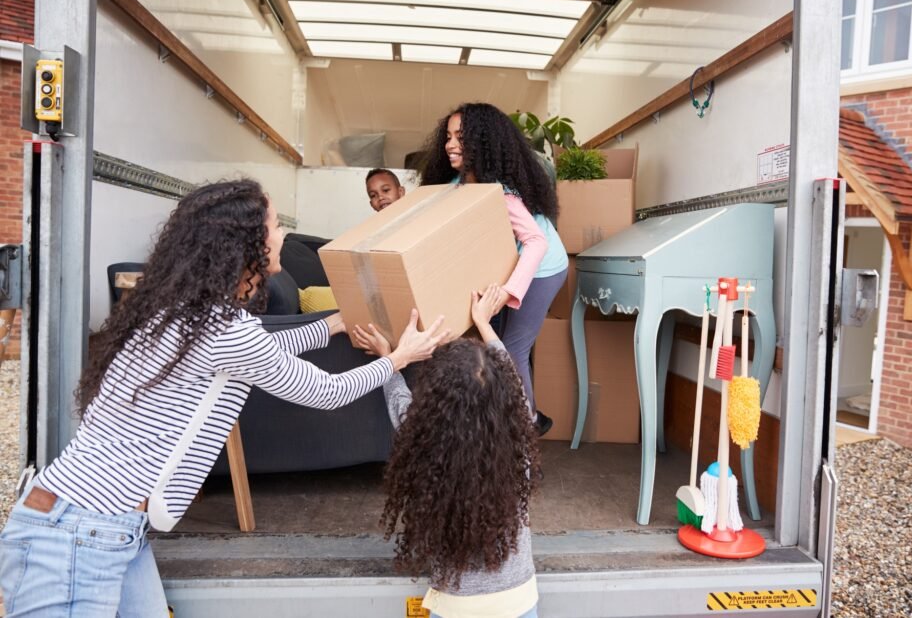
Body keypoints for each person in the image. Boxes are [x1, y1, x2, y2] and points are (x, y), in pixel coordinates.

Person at [0, 179, 447, 617]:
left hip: (101, 526)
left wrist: (332, 325)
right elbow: (325, 391)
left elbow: (260, 351)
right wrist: (400, 358)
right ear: (244, 244)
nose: (283, 236)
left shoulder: (187, 314)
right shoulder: (223, 330)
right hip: (80, 534)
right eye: (274, 227)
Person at [353, 285, 540, 618]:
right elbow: (514, 386)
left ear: (434, 403)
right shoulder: (519, 441)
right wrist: (484, 323)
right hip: (519, 602)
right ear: (507, 402)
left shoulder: (426, 443)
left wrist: (390, 358)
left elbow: (399, 403)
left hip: (454, 606)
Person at [420, 102, 568, 436]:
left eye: (461, 137)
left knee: (513, 348)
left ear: (482, 144)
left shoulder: (501, 194)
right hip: (513, 264)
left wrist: (509, 291)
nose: (450, 144)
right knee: (491, 343)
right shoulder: (459, 183)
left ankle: (525, 432)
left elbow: (536, 242)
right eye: (448, 136)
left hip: (543, 267)